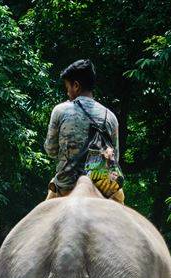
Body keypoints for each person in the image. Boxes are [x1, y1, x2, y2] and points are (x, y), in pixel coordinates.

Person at [44, 59, 124, 204]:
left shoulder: (60, 110)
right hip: (102, 187)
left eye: (68, 87)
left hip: (66, 184)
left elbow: (50, 150)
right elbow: (115, 158)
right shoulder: (110, 117)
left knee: (40, 219)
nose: (67, 92)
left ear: (76, 86)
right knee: (122, 209)